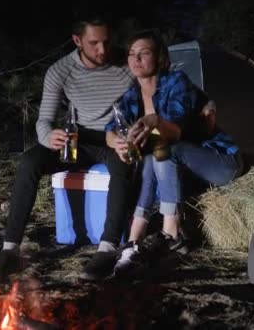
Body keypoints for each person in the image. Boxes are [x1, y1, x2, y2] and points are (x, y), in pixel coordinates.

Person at [0, 15, 136, 280]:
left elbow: (152, 91)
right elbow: (44, 120)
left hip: (115, 139)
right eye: (94, 44)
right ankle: (10, 249)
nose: (103, 50)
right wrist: (48, 136)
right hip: (76, 141)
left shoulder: (127, 63)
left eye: (107, 42)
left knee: (122, 166)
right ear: (77, 41)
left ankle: (107, 247)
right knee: (30, 161)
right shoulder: (60, 71)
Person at [103, 30, 245, 277]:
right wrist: (118, 142)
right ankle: (134, 238)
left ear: (159, 58)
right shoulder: (131, 95)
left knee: (161, 145)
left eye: (144, 53)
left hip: (219, 161)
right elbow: (110, 129)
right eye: (131, 54)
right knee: (148, 153)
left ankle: (171, 231)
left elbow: (176, 130)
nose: (136, 59)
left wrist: (154, 120)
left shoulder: (175, 82)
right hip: (182, 170)